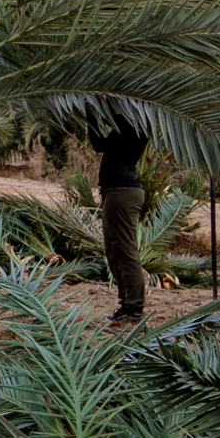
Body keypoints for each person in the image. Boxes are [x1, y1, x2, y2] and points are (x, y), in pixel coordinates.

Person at [89, 112, 148, 327]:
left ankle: (134, 308)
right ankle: (127, 305)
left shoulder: (136, 125)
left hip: (122, 193)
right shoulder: (131, 124)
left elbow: (98, 143)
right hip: (116, 192)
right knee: (114, 251)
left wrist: (92, 111)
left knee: (125, 251)